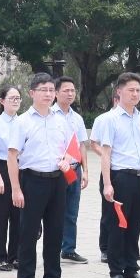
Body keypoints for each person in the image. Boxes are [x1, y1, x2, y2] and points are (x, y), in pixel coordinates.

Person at [7, 73, 76, 278]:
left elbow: (70, 149)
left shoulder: (61, 120)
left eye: (51, 90)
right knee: (28, 234)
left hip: (57, 180)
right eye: (43, 90)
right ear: (32, 93)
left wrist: (67, 160)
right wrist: (16, 189)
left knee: (55, 233)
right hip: (32, 180)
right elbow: (12, 156)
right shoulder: (22, 122)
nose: (48, 94)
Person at [97, 73, 140, 278]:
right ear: (119, 91)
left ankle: (131, 269)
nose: (135, 94)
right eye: (131, 90)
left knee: (135, 225)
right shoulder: (109, 119)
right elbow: (105, 153)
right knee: (117, 226)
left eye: (138, 90)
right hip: (121, 177)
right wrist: (107, 184)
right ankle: (116, 271)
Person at [54, 77, 90, 265]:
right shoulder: (50, 115)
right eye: (66, 90)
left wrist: (85, 171)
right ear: (56, 93)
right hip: (57, 171)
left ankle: (68, 249)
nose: (70, 94)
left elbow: (81, 145)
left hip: (74, 170)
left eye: (72, 90)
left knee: (71, 212)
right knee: (54, 212)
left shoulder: (77, 118)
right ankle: (52, 249)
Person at [0, 86, 23, 271]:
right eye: (11, 98)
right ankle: (0, 257)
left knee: (18, 215)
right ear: (2, 101)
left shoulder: (23, 122)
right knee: (1, 216)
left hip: (20, 168)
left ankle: (15, 256)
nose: (15, 101)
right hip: (1, 168)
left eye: (18, 98)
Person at [90, 91, 121, 264]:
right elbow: (94, 143)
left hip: (127, 170)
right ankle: (105, 248)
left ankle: (124, 247)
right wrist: (106, 157)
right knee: (109, 211)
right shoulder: (102, 119)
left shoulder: (137, 119)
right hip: (110, 169)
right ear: (116, 99)